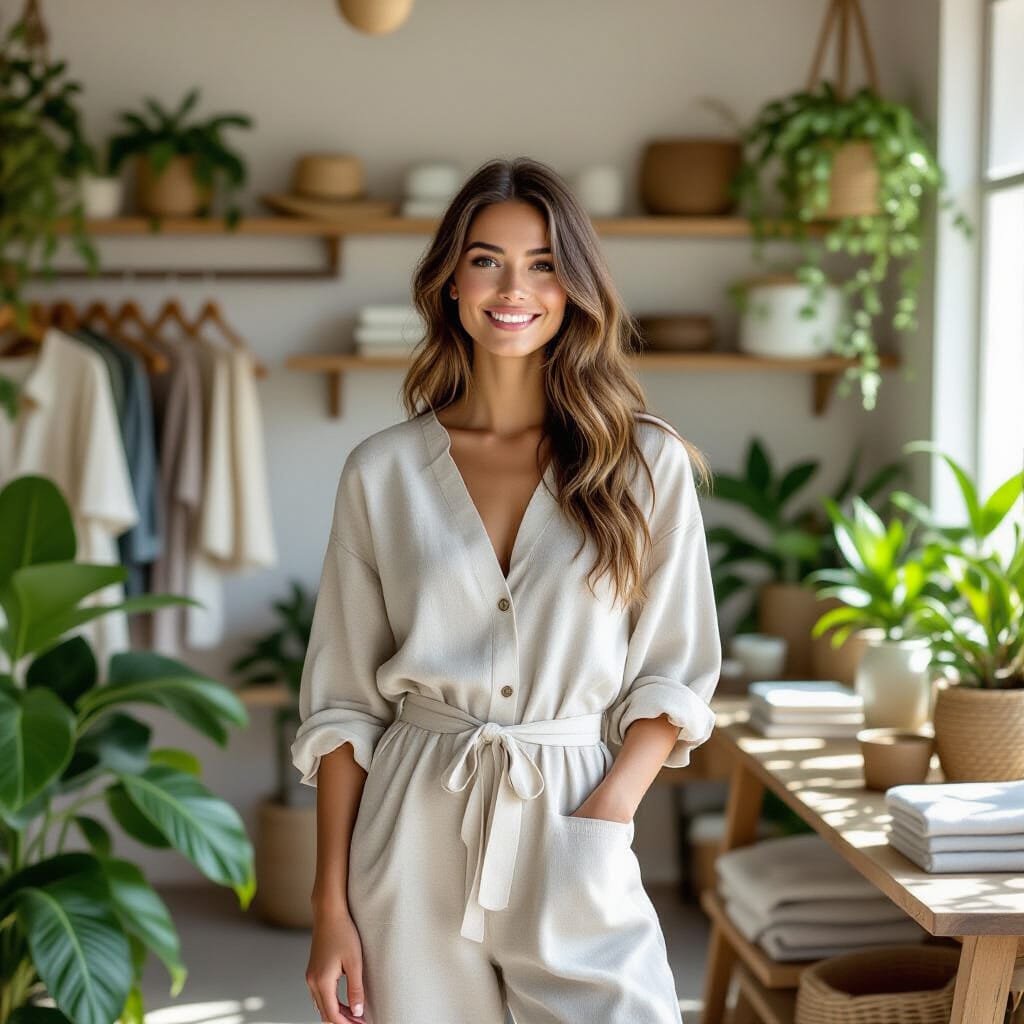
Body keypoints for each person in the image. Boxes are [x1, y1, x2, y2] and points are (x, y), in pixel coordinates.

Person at [292, 156, 723, 1024]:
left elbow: (673, 673)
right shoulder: (382, 472)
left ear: (576, 288)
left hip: (572, 817)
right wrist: (328, 905)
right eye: (487, 259)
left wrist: (605, 817)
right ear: (451, 280)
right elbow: (342, 706)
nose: (513, 288)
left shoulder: (644, 464)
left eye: (544, 265)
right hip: (412, 831)